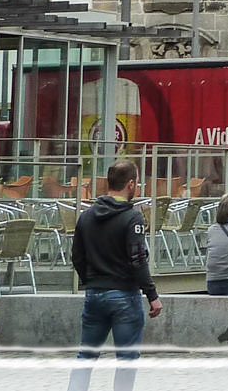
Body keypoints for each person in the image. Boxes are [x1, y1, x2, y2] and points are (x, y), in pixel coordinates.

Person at [67, 160, 162, 391]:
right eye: (136, 183)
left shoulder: (86, 216)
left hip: (95, 295)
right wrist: (152, 295)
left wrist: (91, 280)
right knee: (126, 362)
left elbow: (77, 256)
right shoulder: (133, 218)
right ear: (130, 184)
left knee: (86, 356)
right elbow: (138, 259)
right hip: (124, 296)